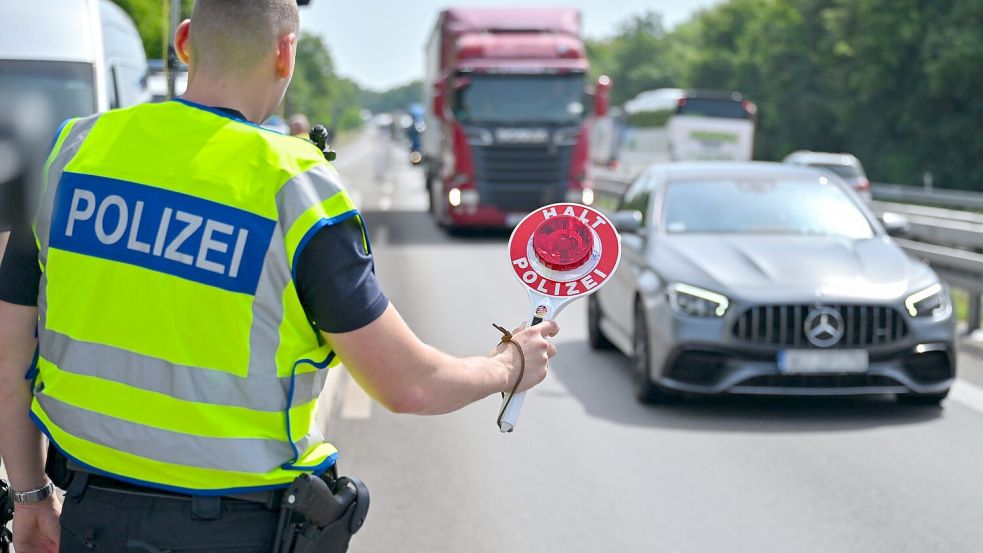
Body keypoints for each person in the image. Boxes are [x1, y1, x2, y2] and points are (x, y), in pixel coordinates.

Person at [0, 1, 559, 552]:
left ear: (185, 41)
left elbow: (8, 357)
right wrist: (506, 365)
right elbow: (409, 385)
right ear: (286, 54)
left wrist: (28, 499)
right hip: (238, 529)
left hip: (91, 519)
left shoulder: (71, 153)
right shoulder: (297, 190)